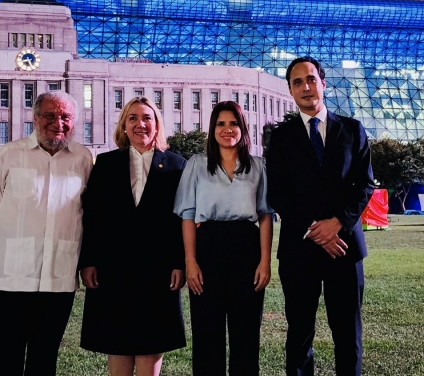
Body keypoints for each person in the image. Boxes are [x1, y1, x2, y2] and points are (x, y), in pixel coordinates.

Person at [266, 56, 375, 376]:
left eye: (311, 79)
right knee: (299, 334)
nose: (305, 87)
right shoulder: (281, 137)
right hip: (299, 250)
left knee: (348, 335)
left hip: (345, 248)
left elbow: (364, 184)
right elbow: (278, 195)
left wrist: (337, 224)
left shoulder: (352, 130)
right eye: (297, 82)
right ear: (290, 90)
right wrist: (317, 231)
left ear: (323, 84)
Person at [0, 91, 93, 376]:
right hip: (11, 275)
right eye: (50, 115)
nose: (58, 122)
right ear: (35, 118)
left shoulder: (83, 159)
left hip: (58, 276)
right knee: (2, 354)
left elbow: (85, 211)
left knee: (45, 355)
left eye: (66, 116)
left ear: (74, 121)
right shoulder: (8, 155)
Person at [79, 97, 186, 376]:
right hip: (113, 267)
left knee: (152, 339)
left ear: (157, 124)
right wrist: (88, 261)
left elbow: (182, 221)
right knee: (117, 340)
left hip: (159, 269)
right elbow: (92, 216)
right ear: (124, 126)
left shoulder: (177, 166)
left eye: (147, 118)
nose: (141, 124)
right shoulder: (105, 163)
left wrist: (180, 263)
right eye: (133, 118)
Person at [174, 100, 274, 376]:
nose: (227, 129)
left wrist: (265, 261)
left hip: (246, 246)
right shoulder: (197, 164)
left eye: (233, 123)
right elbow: (187, 214)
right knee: (207, 331)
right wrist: (190, 261)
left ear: (243, 128)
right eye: (221, 124)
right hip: (208, 245)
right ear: (212, 128)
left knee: (246, 332)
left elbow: (266, 214)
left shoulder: (258, 166)